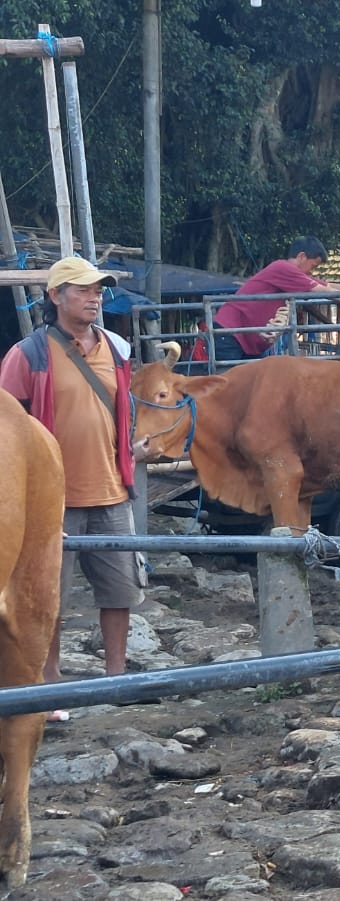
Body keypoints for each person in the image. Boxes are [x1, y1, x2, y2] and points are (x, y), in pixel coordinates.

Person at [0, 257, 142, 698]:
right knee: (46, 597)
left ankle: (116, 677)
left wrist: (130, 451)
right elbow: (7, 427)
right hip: (50, 500)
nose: (94, 297)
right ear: (55, 296)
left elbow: (122, 411)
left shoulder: (117, 350)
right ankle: (50, 683)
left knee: (121, 590)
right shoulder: (28, 355)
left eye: (98, 290)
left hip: (111, 490)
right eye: (82, 290)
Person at [211, 236, 333, 362]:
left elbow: (329, 286)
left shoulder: (294, 275)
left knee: (253, 379)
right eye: (313, 266)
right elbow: (327, 291)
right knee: (229, 379)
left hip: (246, 341)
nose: (312, 272)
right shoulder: (283, 268)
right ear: (302, 257)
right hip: (232, 335)